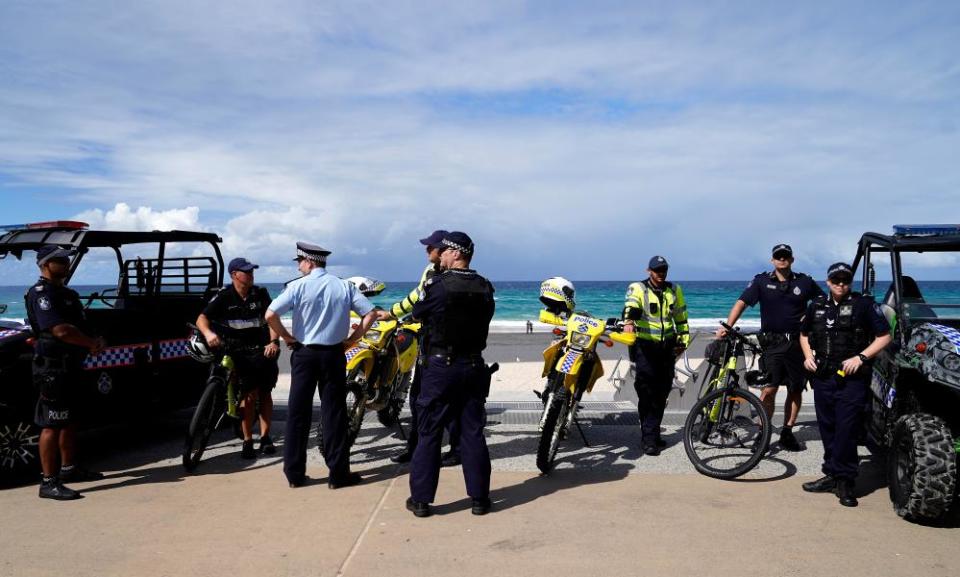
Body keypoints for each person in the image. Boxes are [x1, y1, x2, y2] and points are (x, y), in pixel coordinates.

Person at [264, 242, 378, 489]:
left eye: (300, 262)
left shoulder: (297, 286)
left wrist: (286, 337)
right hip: (333, 354)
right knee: (334, 414)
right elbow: (369, 314)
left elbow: (270, 315)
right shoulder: (343, 286)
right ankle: (338, 474)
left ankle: (294, 474)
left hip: (304, 354)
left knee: (298, 414)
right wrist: (353, 339)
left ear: (309, 262)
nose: (299, 266)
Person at [405, 232, 496, 518]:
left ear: (456, 253)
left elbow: (418, 312)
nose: (440, 255)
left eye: (444, 250)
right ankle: (480, 499)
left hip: (441, 367)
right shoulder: (485, 286)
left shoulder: (438, 285)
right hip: (473, 366)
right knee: (472, 432)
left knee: (429, 431)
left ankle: (421, 500)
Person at [799, 263, 891, 507]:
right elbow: (804, 334)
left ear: (850, 282)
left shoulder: (864, 305)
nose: (840, 284)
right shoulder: (817, 306)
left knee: (847, 429)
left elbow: (885, 336)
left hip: (852, 379)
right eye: (836, 280)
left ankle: (846, 481)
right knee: (827, 427)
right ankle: (831, 474)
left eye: (845, 280)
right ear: (828, 282)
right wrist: (808, 356)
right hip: (823, 377)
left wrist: (861, 357)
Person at [718, 244, 825, 451]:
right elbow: (742, 302)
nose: (782, 260)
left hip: (797, 343)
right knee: (769, 389)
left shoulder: (804, 281)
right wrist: (727, 326)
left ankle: (787, 432)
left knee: (795, 389)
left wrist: (810, 316)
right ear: (772, 260)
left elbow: (822, 301)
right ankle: (763, 432)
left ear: (792, 259)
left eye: (785, 256)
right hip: (772, 343)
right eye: (778, 256)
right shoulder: (761, 281)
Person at [24, 245, 106, 500]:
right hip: (52, 367)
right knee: (52, 423)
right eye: (59, 260)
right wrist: (90, 343)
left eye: (66, 259)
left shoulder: (67, 293)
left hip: (71, 364)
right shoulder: (41, 294)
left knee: (70, 419)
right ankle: (48, 482)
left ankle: (69, 468)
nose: (65, 263)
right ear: (45, 265)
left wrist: (95, 340)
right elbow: (60, 330)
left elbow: (80, 325)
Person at [385, 230, 462, 467]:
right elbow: (416, 298)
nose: (426, 251)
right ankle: (415, 447)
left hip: (449, 348)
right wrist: (390, 313)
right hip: (428, 345)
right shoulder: (429, 272)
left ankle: (456, 449)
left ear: (443, 251)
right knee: (418, 397)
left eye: (430, 247)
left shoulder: (455, 275)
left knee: (449, 400)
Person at [196, 257, 280, 459]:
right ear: (234, 275)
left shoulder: (260, 294)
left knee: (265, 393)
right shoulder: (224, 296)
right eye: (247, 272)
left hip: (261, 349)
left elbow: (272, 320)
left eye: (252, 271)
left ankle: (266, 438)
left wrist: (274, 342)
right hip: (236, 351)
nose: (251, 275)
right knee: (248, 396)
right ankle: (248, 440)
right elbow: (202, 318)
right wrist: (209, 334)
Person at [622, 256, 690, 455]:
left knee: (662, 392)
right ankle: (649, 436)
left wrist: (683, 341)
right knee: (646, 391)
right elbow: (631, 308)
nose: (661, 274)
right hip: (645, 347)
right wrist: (628, 323)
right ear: (648, 271)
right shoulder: (638, 288)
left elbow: (681, 317)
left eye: (664, 270)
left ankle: (652, 432)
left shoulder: (674, 290)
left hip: (667, 348)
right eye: (657, 270)